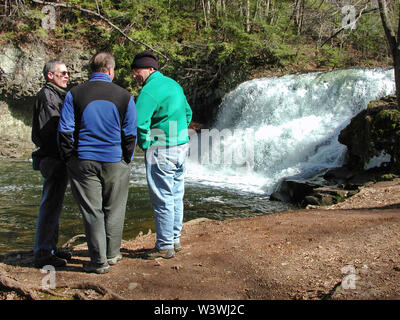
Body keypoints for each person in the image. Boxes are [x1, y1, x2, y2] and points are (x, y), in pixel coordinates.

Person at [58, 52, 137, 274]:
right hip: (114, 160)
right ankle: (112, 255)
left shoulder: (75, 93)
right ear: (111, 71)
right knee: (115, 208)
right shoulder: (125, 96)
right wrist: (125, 160)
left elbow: (64, 131)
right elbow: (130, 134)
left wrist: (69, 159)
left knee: (93, 212)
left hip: (83, 160)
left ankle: (98, 262)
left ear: (91, 70)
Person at [131, 50, 192, 260]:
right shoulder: (174, 85)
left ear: (149, 69)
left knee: (163, 196)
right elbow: (188, 113)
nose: (134, 75)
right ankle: (174, 239)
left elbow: (138, 123)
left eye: (136, 71)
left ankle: (165, 246)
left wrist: (146, 144)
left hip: (162, 149)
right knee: (176, 194)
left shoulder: (149, 91)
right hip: (182, 147)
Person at [31, 59, 71, 268]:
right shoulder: (48, 96)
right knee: (50, 204)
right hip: (52, 158)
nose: (66, 76)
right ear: (50, 75)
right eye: (62, 73)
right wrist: (66, 151)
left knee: (54, 203)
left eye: (67, 73)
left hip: (56, 157)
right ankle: (44, 253)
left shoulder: (56, 95)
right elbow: (52, 130)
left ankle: (50, 247)